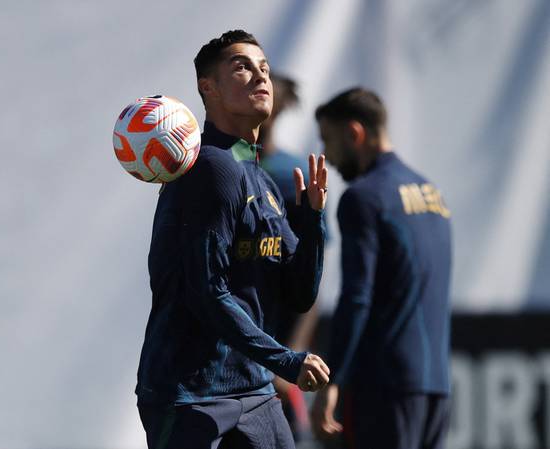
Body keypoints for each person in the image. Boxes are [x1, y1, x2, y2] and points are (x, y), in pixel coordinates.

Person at [135, 30, 331, 449]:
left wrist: (313, 220)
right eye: (241, 66)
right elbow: (208, 291)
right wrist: (285, 360)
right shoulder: (210, 169)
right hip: (193, 396)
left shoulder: (262, 179)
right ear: (209, 88)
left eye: (264, 67)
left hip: (255, 392)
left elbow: (299, 294)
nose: (260, 76)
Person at [310, 87, 452, 449]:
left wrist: (334, 379)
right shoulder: (430, 191)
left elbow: (357, 296)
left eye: (329, 140)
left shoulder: (364, 198)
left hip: (385, 386)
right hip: (435, 384)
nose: (327, 155)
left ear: (354, 133)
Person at [257, 72, 321, 441]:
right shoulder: (218, 167)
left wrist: (290, 358)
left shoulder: (288, 176)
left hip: (274, 365)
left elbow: (311, 278)